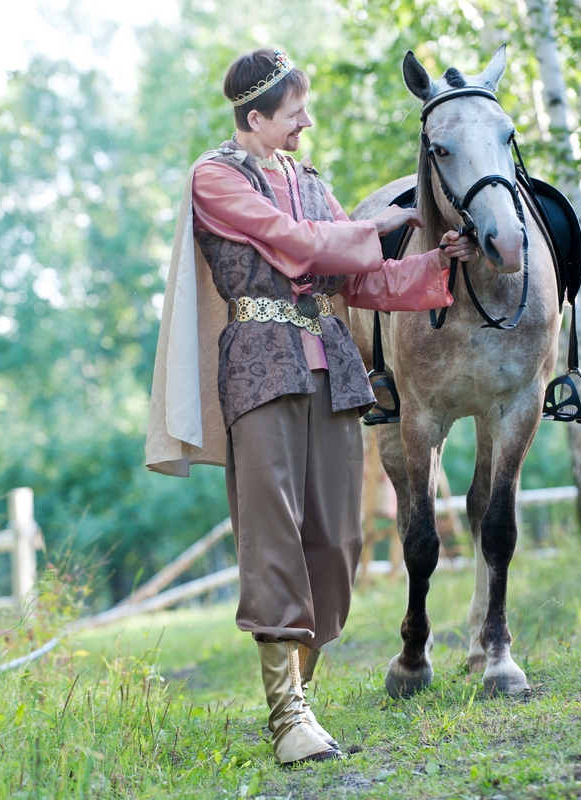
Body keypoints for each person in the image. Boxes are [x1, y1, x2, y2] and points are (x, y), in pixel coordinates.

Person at [146, 47, 476, 765]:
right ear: (254, 117)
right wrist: (379, 228)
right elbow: (291, 244)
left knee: (338, 542)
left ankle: (302, 696)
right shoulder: (215, 177)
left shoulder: (310, 182)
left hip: (332, 371)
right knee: (273, 538)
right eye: (294, 113)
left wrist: (434, 262)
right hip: (260, 370)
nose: (306, 124)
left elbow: (358, 281)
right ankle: (287, 716)